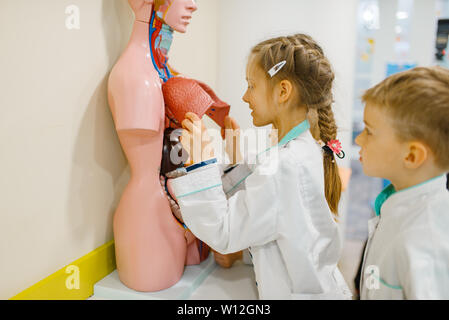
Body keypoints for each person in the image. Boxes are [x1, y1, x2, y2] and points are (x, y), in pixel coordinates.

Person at [164, 34, 352, 299]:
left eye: (252, 85)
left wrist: (201, 164)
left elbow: (223, 231)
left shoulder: (285, 165)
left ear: (283, 92)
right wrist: (235, 159)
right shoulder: (299, 150)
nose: (244, 96)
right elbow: (274, 217)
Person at [355, 66, 449, 299]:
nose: (358, 139)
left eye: (369, 131)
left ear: (411, 156)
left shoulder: (424, 243)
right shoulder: (394, 205)